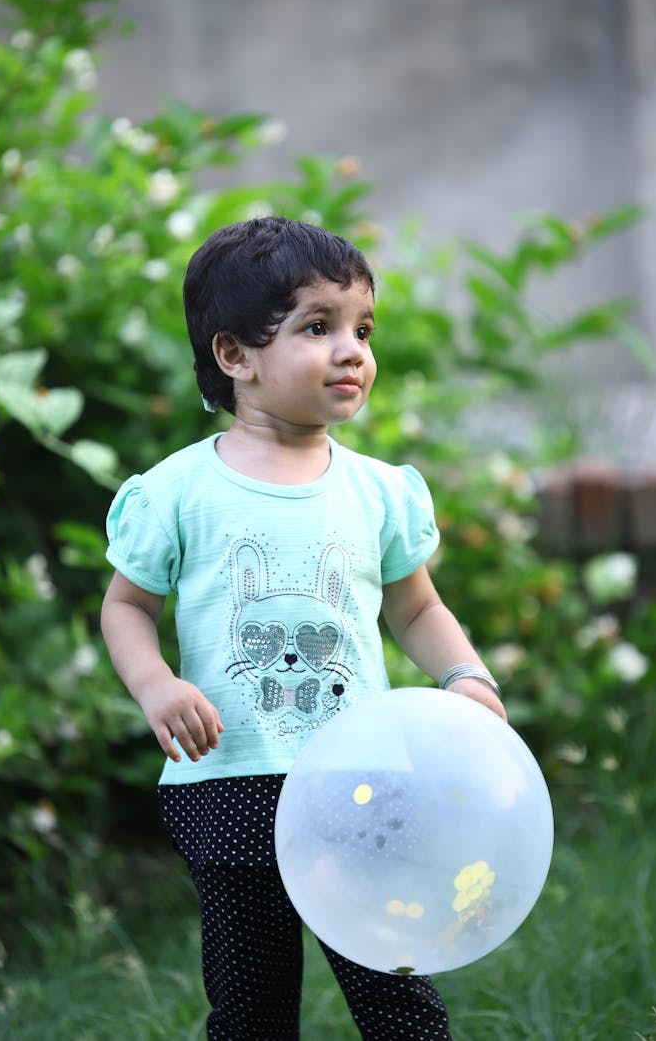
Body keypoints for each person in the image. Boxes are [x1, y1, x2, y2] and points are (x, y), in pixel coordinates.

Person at [100, 216, 506, 1040]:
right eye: (317, 327)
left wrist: (465, 675)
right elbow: (127, 606)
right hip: (232, 776)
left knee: (397, 988)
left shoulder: (378, 491)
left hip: (362, 774)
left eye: (362, 328)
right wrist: (156, 682)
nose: (352, 349)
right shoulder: (180, 492)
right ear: (235, 356)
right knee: (252, 1005)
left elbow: (416, 607)